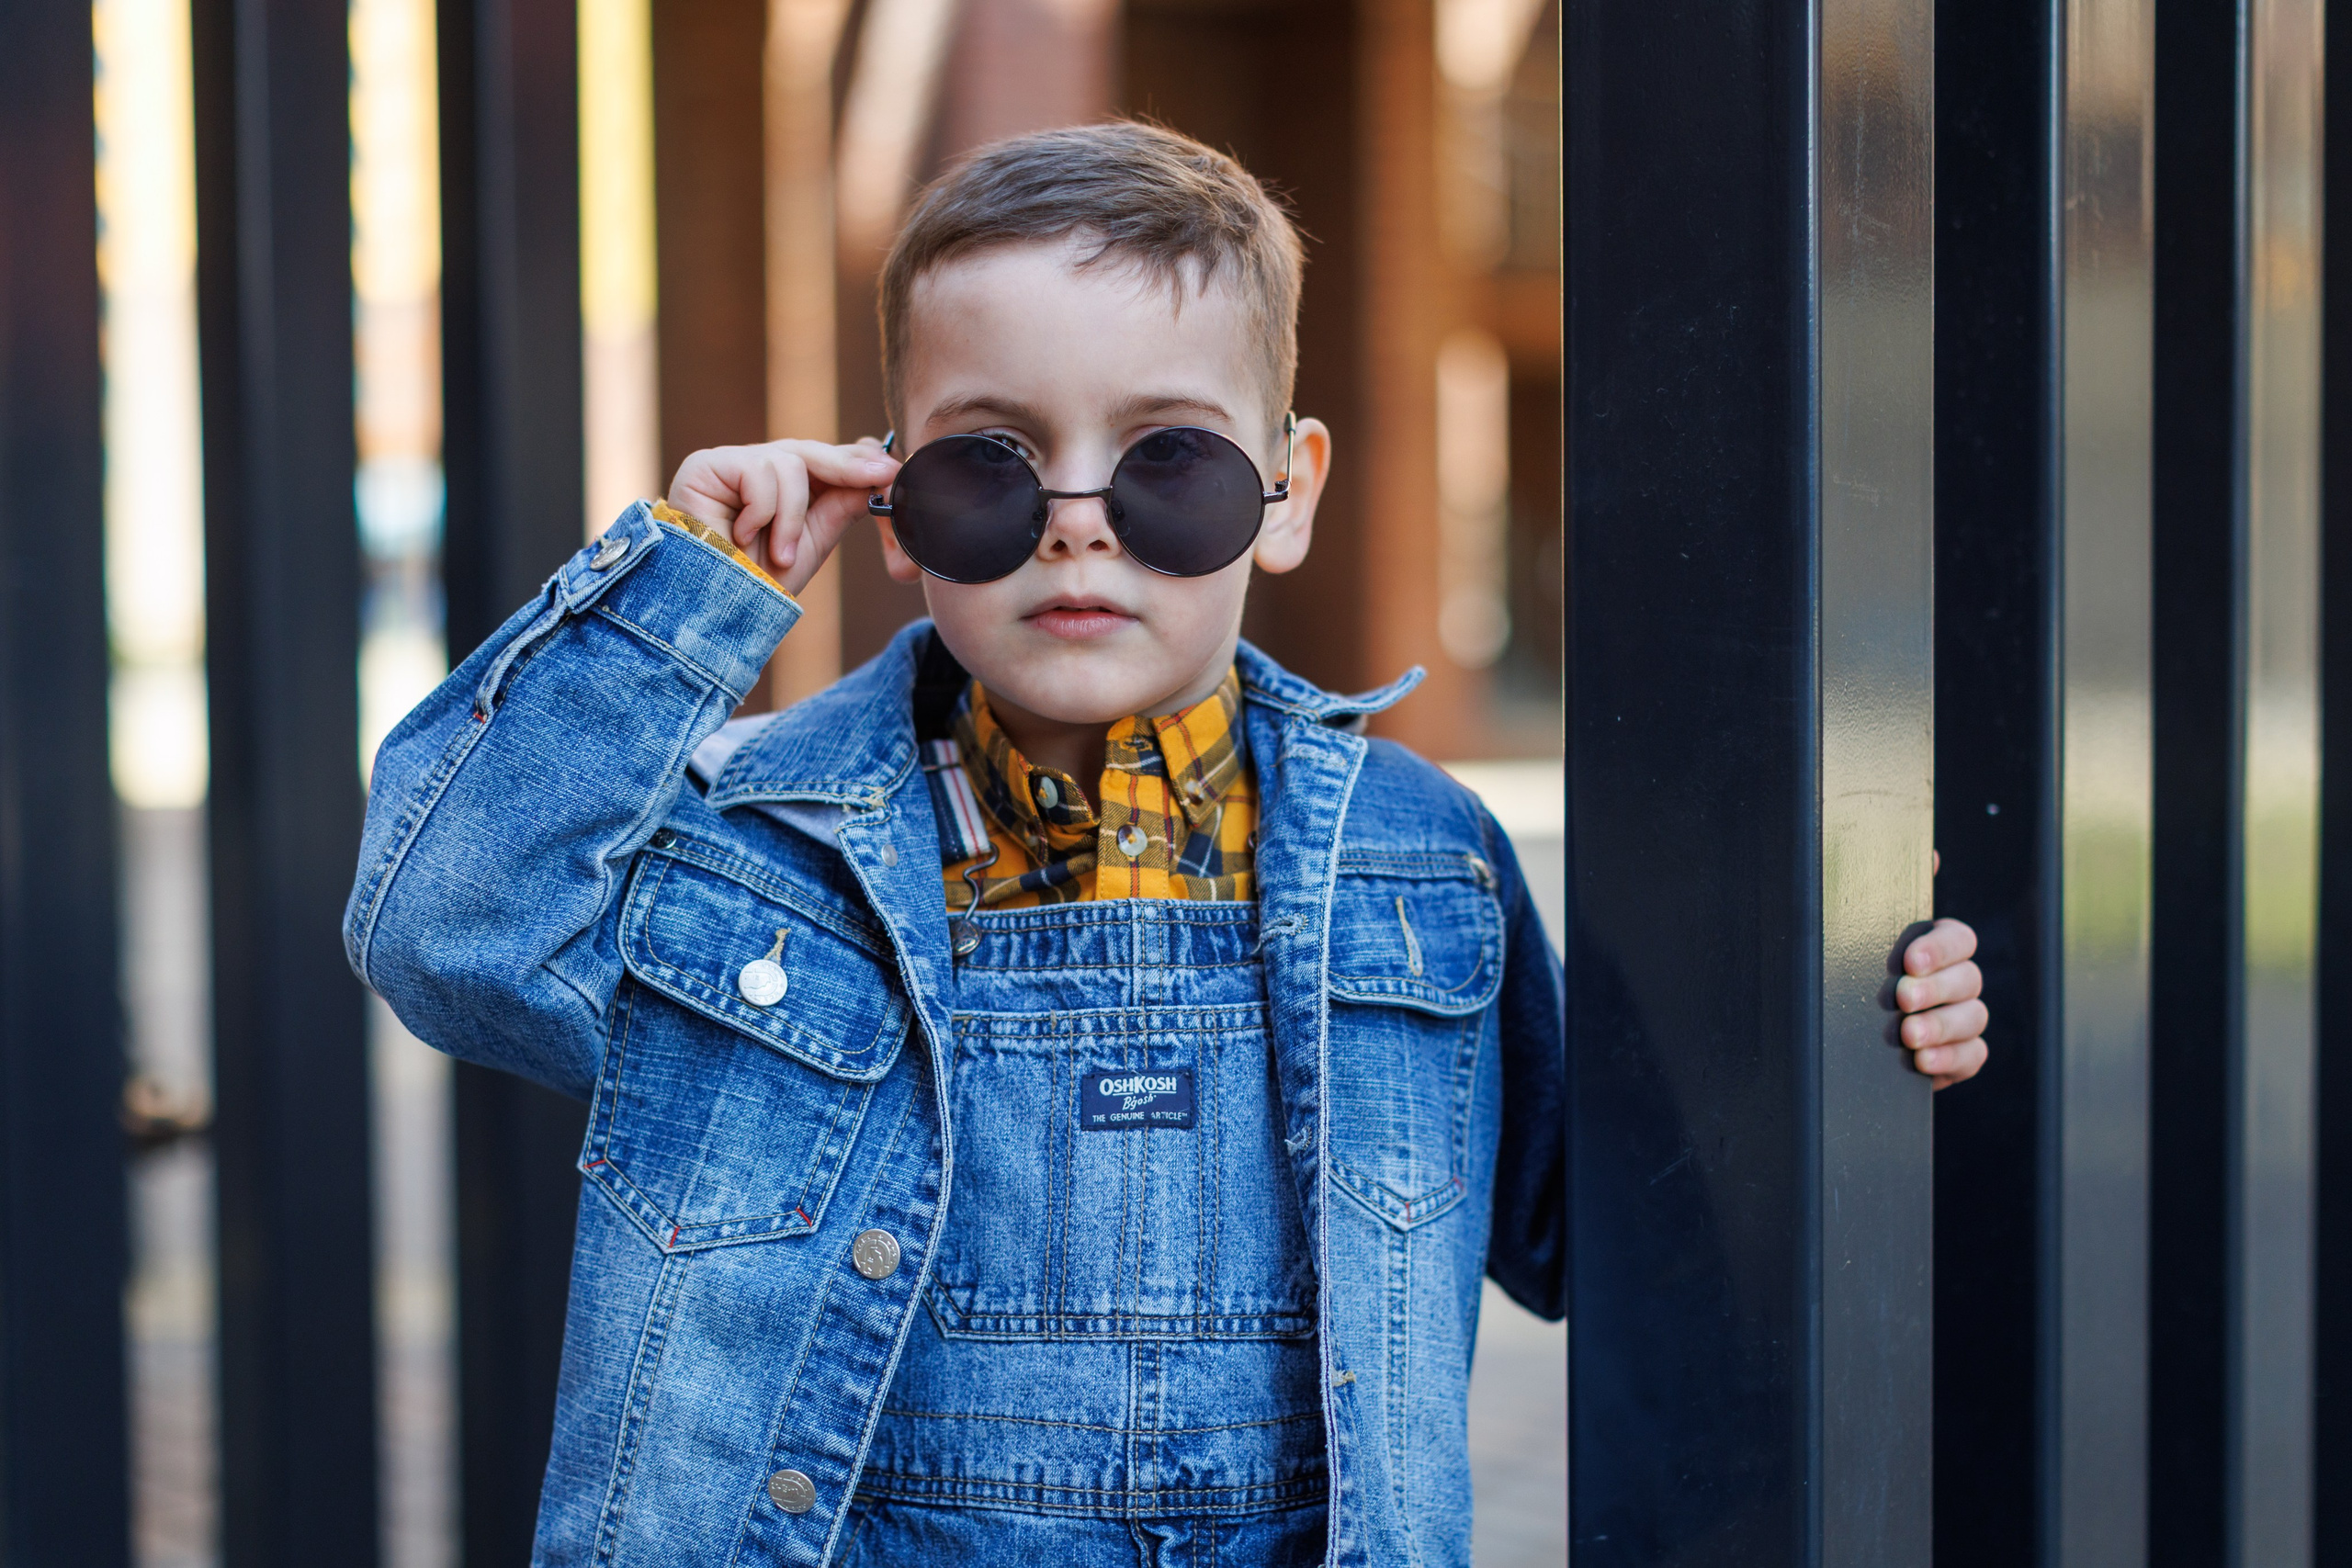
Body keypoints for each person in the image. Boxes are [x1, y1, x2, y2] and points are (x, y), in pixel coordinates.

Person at [346, 121, 1988, 1567]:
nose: (1076, 518)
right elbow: (448, 925)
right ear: (896, 499)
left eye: (1169, 465)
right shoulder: (753, 862)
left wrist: (1870, 1034)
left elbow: (1615, 1232)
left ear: (1288, 493)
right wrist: (687, 591)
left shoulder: (1424, 868)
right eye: (990, 465)